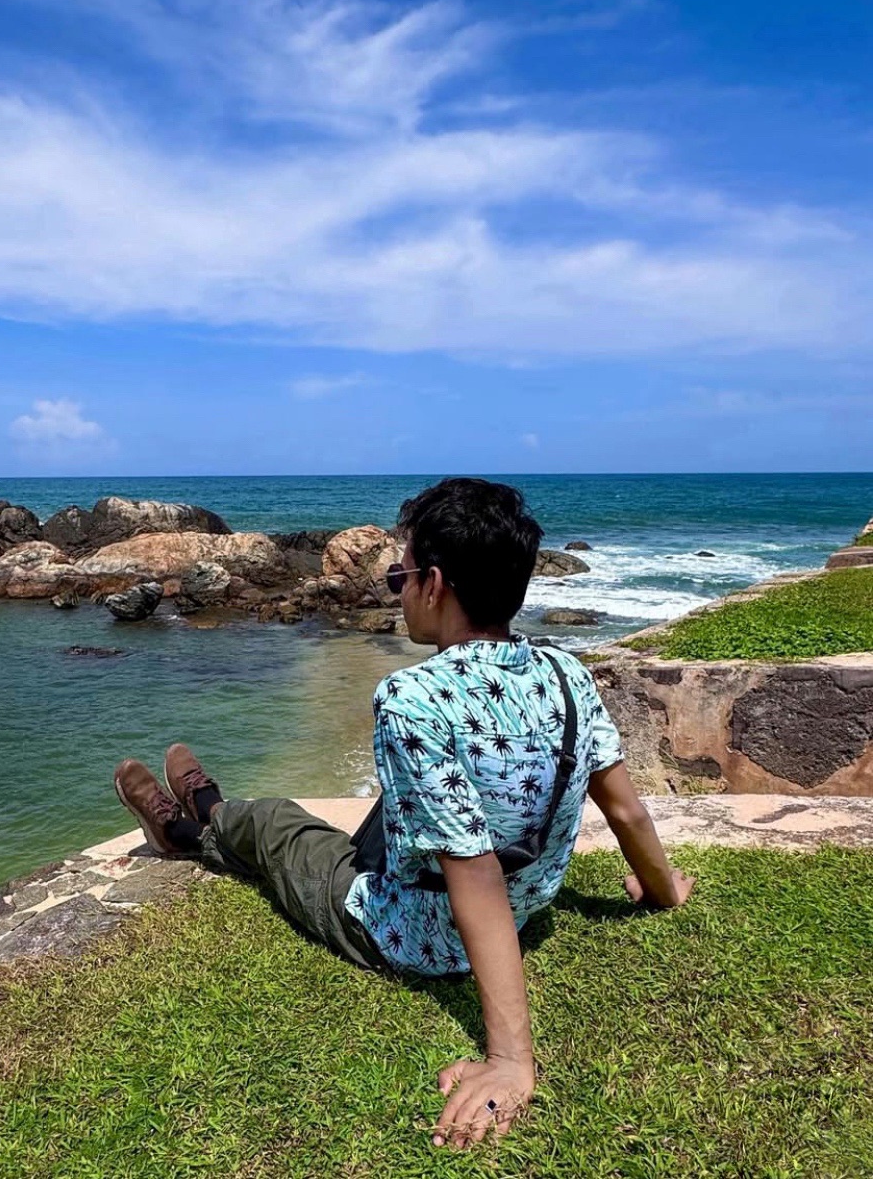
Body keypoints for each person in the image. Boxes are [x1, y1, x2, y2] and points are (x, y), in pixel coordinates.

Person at [113, 477, 695, 1151]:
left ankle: (193, 826)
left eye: (401, 575)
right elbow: (624, 809)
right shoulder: (565, 673)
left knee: (277, 823)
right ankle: (204, 817)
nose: (398, 588)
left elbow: (473, 870)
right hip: (526, 900)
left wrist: (510, 1060)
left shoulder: (411, 697)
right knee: (392, 807)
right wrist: (662, 890)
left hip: (417, 932)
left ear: (434, 585)